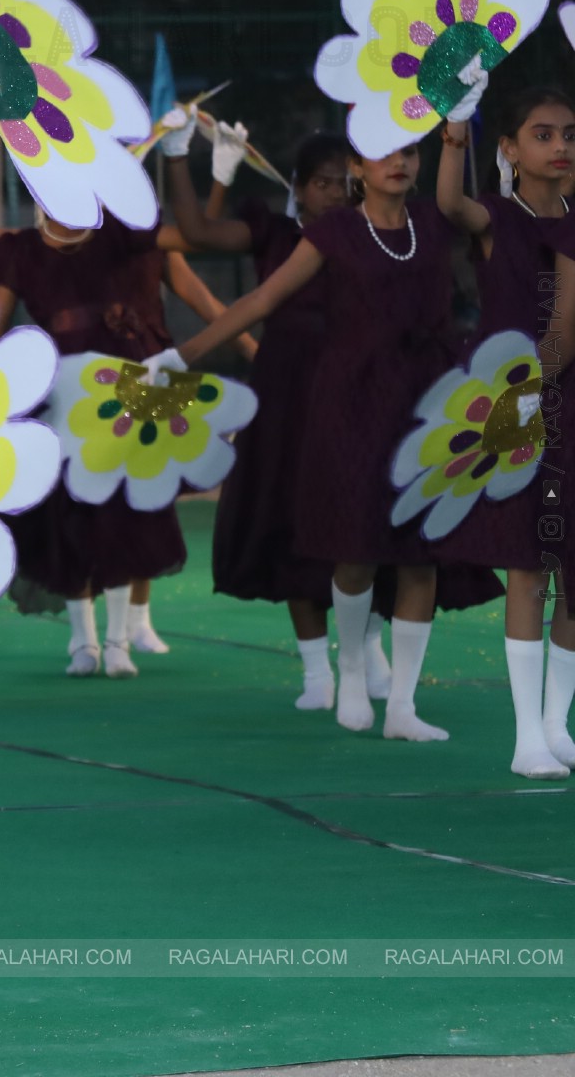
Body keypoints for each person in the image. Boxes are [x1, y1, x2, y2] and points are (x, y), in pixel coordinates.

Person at [146, 102, 488, 741]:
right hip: (350, 403)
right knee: (353, 552)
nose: (398, 161)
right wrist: (181, 356)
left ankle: (406, 707)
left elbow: (455, 189)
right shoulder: (332, 234)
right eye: (382, 152)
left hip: (427, 401)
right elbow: (261, 299)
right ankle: (351, 676)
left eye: (408, 151)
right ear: (357, 166)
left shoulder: (434, 221)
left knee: (421, 557)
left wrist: (458, 129)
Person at [0, 194, 253, 676]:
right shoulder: (25, 250)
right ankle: (83, 640)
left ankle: (120, 638)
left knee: (128, 511)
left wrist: (212, 183)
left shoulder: (129, 234)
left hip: (134, 395)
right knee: (70, 514)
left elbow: (197, 250)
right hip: (64, 396)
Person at [433, 83, 575, 777]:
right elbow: (447, 205)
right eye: (543, 135)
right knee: (529, 566)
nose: (561, 147)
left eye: (570, 134)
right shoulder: (497, 218)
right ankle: (526, 738)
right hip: (514, 410)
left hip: (562, 401)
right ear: (511, 151)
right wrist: (455, 128)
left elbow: (569, 326)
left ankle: (557, 725)